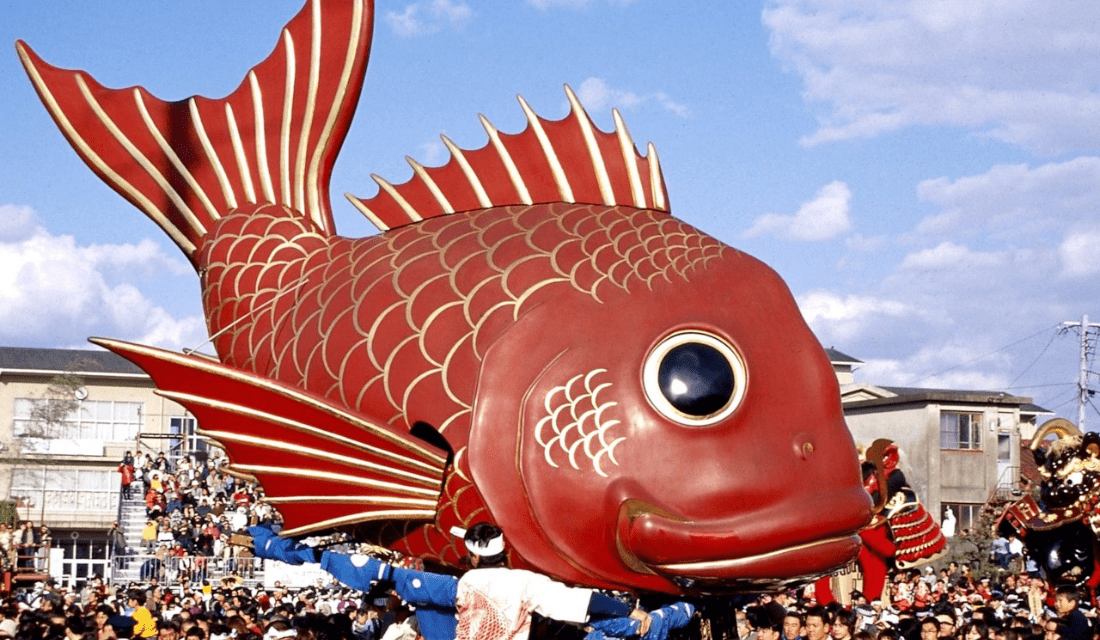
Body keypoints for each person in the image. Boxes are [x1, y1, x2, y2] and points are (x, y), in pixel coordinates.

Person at [249, 522, 688, 640]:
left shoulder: (457, 588)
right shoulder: (526, 583)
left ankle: (679, 613)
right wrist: (627, 609)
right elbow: (585, 602)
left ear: (472, 553)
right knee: (624, 629)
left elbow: (375, 576)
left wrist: (286, 550)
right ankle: (683, 611)